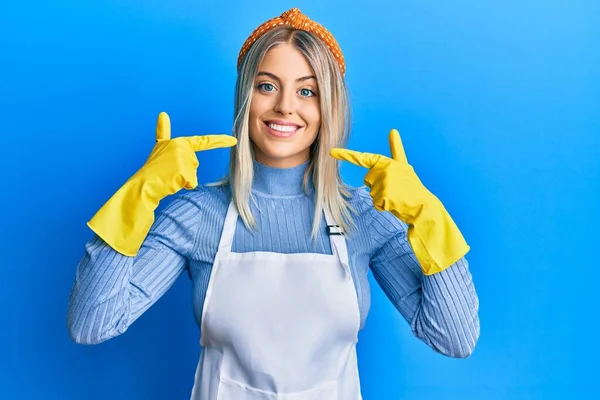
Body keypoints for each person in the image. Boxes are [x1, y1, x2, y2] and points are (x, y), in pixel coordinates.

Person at [67, 7, 480, 399]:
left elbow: (454, 337)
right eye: (267, 86)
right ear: (246, 99)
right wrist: (135, 198)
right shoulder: (198, 216)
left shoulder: (365, 217)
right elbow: (91, 324)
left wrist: (429, 217)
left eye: (307, 91)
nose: (285, 105)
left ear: (328, 108)